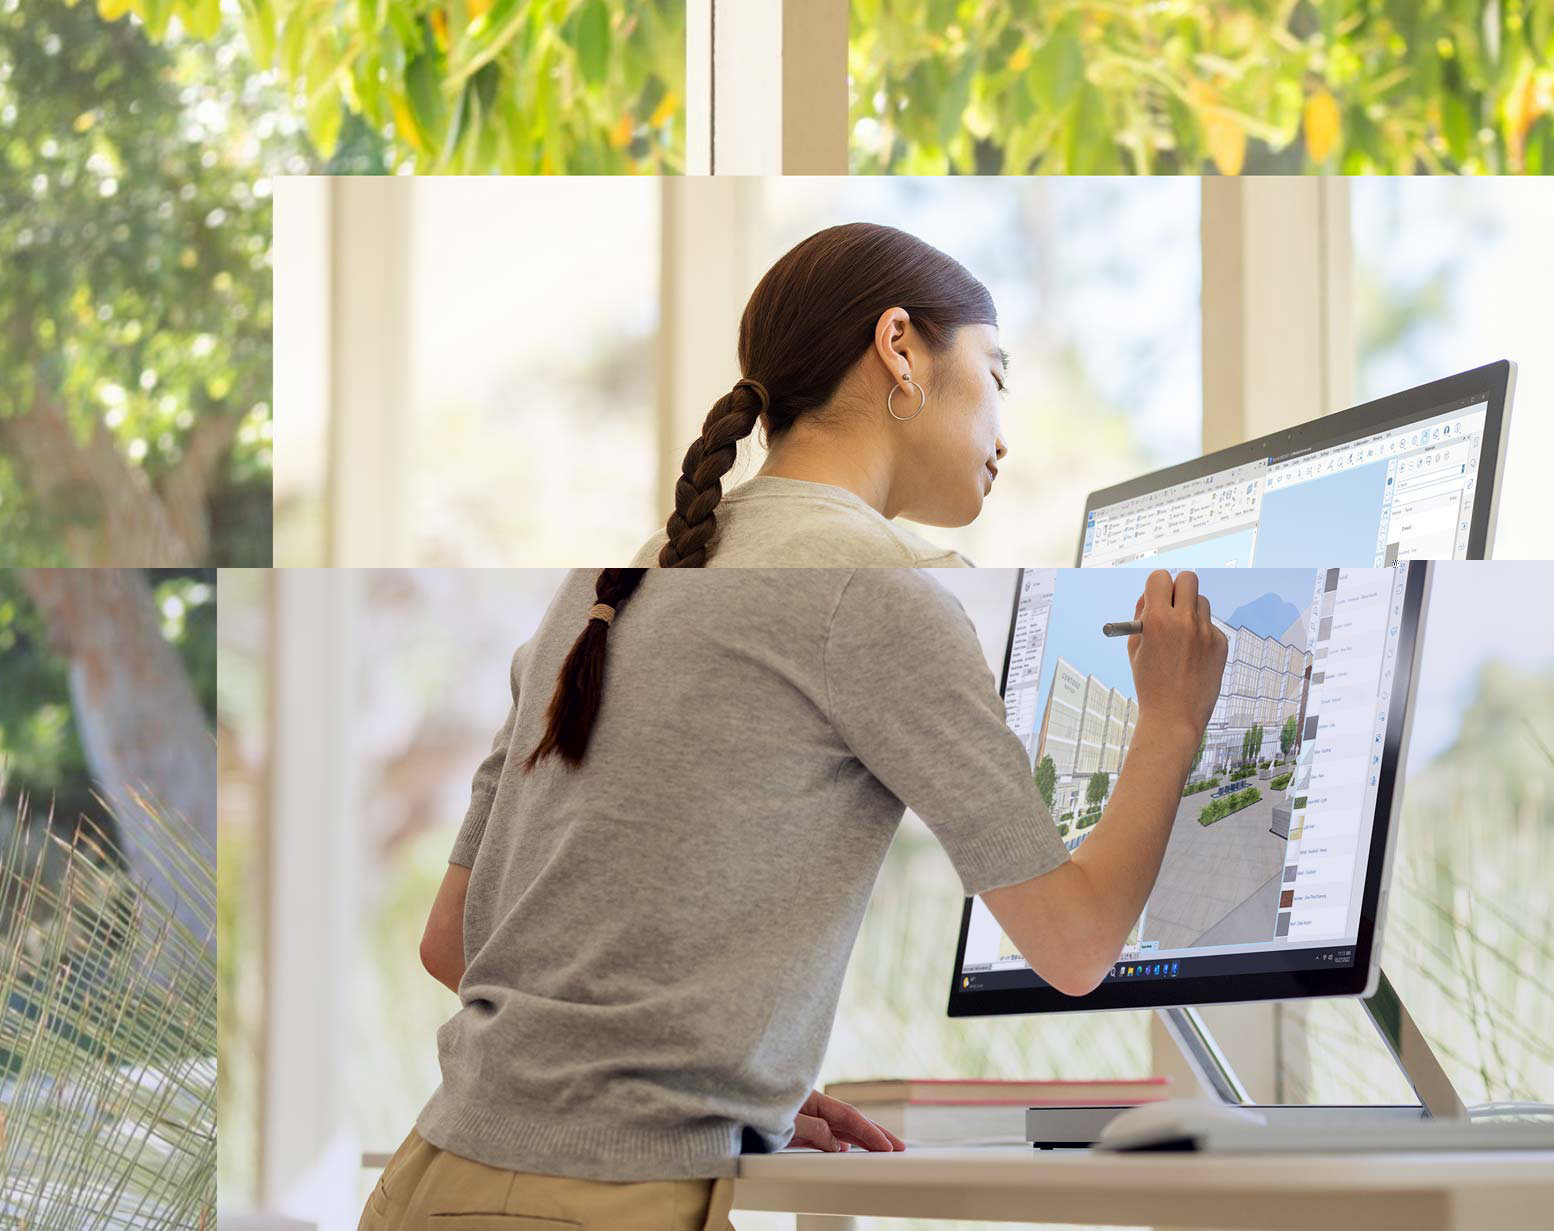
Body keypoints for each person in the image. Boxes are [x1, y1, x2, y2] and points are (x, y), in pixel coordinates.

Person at [358, 565, 1226, 1230]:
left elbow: (452, 940)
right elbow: (1076, 944)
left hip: (427, 1179)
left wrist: (702, 1075)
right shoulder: (870, 602)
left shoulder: (602, 589)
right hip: (596, 1205)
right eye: (994, 371)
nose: (1002, 427)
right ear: (900, 350)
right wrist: (1171, 720)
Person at [629, 223, 1011, 569]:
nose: (1002, 444)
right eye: (995, 378)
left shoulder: (645, 564)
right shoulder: (912, 572)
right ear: (899, 349)